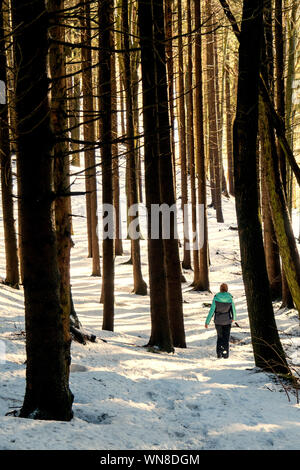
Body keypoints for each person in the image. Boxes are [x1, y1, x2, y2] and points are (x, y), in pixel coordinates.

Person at [204, 283, 237, 359]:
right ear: (226, 289)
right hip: (227, 321)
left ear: (220, 289)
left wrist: (207, 322)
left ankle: (219, 353)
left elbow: (212, 311)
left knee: (220, 337)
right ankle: (225, 354)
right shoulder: (230, 298)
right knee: (226, 337)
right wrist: (234, 318)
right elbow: (233, 310)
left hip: (218, 321)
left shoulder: (216, 298)